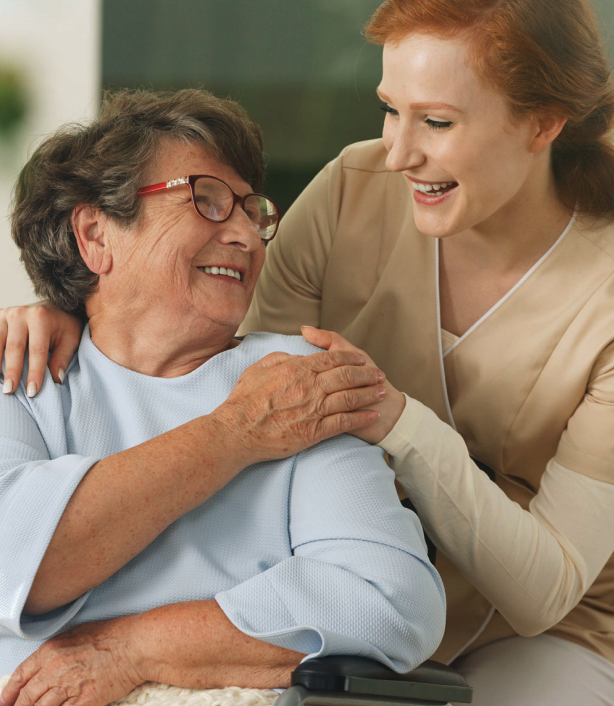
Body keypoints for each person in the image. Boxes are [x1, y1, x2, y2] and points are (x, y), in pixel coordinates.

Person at [4, 0, 614, 703]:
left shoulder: (313, 403)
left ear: (542, 124)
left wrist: (395, 422)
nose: (397, 152)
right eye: (391, 109)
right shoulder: (355, 193)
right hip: (343, 639)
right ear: (94, 235)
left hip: (534, 630)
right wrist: (75, 304)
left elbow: (466, 592)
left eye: (437, 121)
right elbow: (212, 354)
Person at [0, 88, 447, 706]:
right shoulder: (21, 373)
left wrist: (130, 650)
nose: (246, 235)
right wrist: (237, 434)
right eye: (206, 201)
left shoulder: (297, 381)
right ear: (96, 233)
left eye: (251, 210)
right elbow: (15, 565)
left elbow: (390, 599)